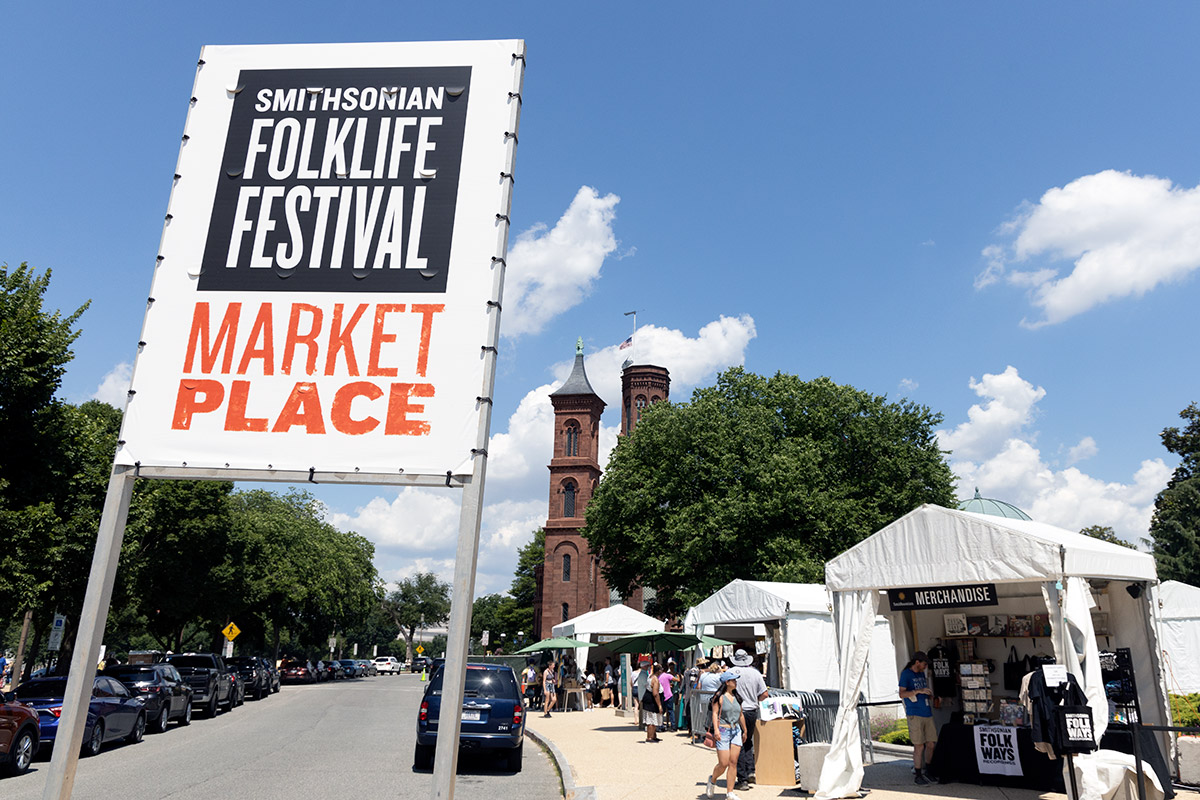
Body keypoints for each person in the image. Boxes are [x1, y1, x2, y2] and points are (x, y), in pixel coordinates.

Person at [730, 648, 768, 790]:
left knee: (737, 743)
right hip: (752, 710)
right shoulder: (755, 673)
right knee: (748, 741)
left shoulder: (731, 672)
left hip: (736, 711)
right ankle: (751, 770)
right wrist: (754, 700)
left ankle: (742, 778)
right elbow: (764, 694)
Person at [898, 651, 938, 785]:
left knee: (931, 743)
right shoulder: (906, 674)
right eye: (924, 664)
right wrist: (917, 691)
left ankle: (929, 770)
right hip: (915, 713)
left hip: (926, 711)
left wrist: (930, 696)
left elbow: (923, 690)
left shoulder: (921, 674)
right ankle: (918, 773)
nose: (925, 667)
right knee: (919, 745)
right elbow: (902, 694)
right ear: (917, 662)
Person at [707, 671, 747, 800]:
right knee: (723, 763)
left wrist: (745, 730)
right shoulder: (719, 696)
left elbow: (740, 714)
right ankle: (712, 779)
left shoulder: (737, 696)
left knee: (733, 762)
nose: (735, 682)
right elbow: (714, 713)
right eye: (733, 680)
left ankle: (730, 792)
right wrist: (716, 730)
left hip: (736, 730)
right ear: (727, 682)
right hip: (723, 730)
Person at [642, 663, 665, 742]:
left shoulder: (650, 677)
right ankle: (650, 737)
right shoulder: (655, 679)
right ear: (658, 671)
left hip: (649, 701)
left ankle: (653, 736)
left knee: (652, 719)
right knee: (651, 720)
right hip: (652, 702)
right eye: (661, 670)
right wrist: (659, 705)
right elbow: (655, 693)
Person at [658, 661, 676, 732]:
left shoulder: (658, 677)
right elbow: (676, 680)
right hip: (669, 695)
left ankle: (661, 726)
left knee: (661, 712)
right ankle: (673, 726)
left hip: (662, 696)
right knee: (671, 711)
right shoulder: (668, 675)